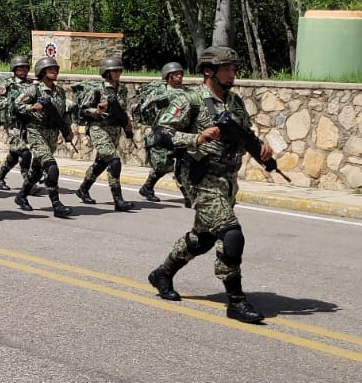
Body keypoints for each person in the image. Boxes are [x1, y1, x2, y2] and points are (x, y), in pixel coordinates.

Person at [146, 46, 270, 323]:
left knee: (202, 238)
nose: (231, 73)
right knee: (231, 234)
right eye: (226, 68)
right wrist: (197, 138)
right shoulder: (189, 99)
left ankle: (163, 273)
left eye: (234, 69)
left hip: (227, 180)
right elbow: (160, 134)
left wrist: (262, 147)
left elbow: (245, 134)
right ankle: (236, 302)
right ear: (208, 71)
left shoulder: (235, 102)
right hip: (200, 177)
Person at [12, 57, 74, 218]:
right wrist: (33, 107)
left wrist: (68, 129)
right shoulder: (34, 90)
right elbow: (17, 105)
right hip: (36, 132)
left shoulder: (59, 91)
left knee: (37, 171)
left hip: (52, 134)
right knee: (51, 167)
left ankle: (22, 196)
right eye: (50, 70)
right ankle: (56, 205)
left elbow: (64, 113)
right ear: (42, 72)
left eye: (55, 70)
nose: (54, 72)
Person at [75, 56, 136, 211]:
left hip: (115, 130)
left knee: (101, 162)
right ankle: (118, 200)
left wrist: (127, 125)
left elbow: (122, 110)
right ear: (106, 72)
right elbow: (82, 109)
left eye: (119, 70)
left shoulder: (122, 89)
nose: (117, 73)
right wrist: (96, 110)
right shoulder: (97, 89)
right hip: (99, 128)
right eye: (114, 70)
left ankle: (83, 189)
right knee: (114, 160)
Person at [137, 62, 188, 203]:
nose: (180, 77)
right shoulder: (160, 93)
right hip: (163, 133)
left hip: (183, 134)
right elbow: (147, 110)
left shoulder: (187, 92)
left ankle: (188, 194)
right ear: (169, 76)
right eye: (176, 74)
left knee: (184, 164)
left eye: (181, 74)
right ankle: (147, 187)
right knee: (163, 165)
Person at [0, 56, 33, 190]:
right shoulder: (7, 84)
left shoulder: (31, 85)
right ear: (14, 69)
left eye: (25, 68)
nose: (23, 70)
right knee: (24, 152)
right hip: (12, 122)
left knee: (15, 153)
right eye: (20, 68)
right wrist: (11, 105)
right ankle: (29, 183)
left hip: (26, 122)